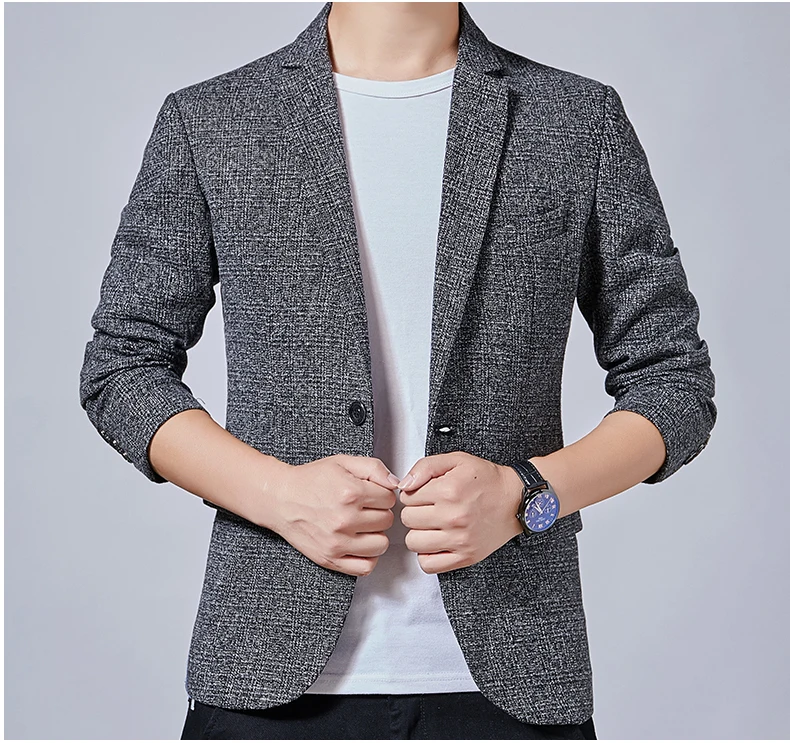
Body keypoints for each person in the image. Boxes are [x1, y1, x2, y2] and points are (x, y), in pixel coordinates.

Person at [79, 1, 716, 739]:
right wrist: (278, 495)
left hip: (513, 681)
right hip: (266, 679)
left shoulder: (575, 120)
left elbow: (675, 382)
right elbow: (122, 367)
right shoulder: (212, 121)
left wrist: (527, 497)